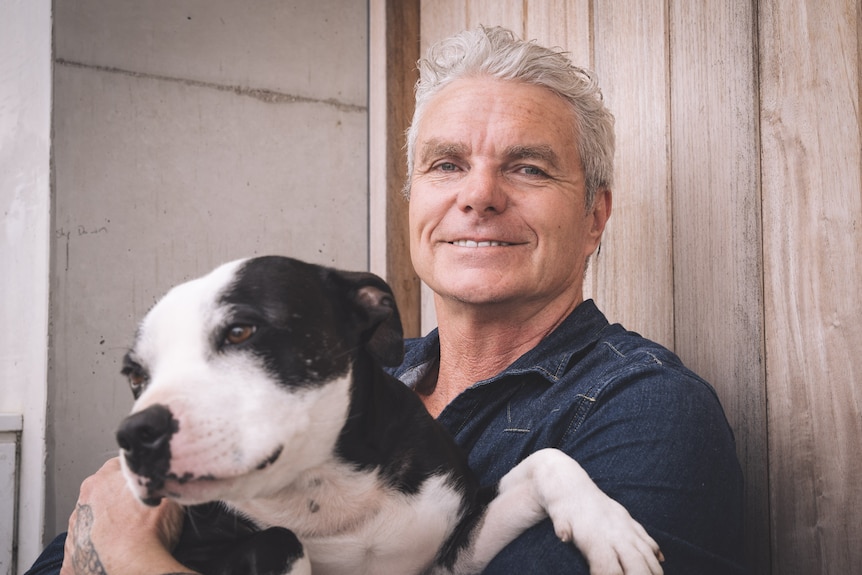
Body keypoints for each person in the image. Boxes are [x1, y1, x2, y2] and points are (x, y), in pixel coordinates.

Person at [28, 26, 745, 574]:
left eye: (527, 167)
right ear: (413, 203)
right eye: (446, 165)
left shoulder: (648, 411)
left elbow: (118, 538)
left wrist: (131, 558)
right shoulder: (335, 372)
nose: (478, 196)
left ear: (594, 216)